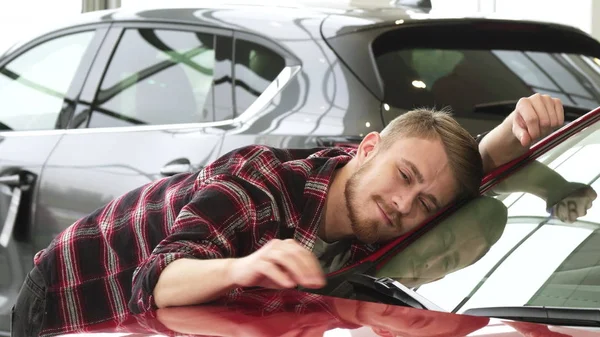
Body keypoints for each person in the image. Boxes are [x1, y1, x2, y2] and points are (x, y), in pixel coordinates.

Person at [11, 93, 564, 337]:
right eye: (403, 178)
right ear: (366, 149)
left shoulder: (395, 202)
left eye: (425, 205)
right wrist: (243, 268)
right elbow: (154, 283)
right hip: (74, 293)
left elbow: (463, 172)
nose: (403, 205)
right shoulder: (262, 186)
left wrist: (517, 135)